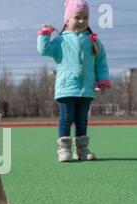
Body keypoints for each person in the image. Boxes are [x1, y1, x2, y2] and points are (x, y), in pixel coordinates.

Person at [37, 0, 111, 162]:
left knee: (82, 119)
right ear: (67, 20)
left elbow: (101, 61)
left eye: (85, 17)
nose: (82, 21)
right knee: (66, 118)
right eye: (77, 17)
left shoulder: (93, 40)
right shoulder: (60, 41)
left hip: (86, 89)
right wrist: (44, 34)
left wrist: (103, 81)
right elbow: (44, 50)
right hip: (66, 88)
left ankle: (82, 151)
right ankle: (64, 150)